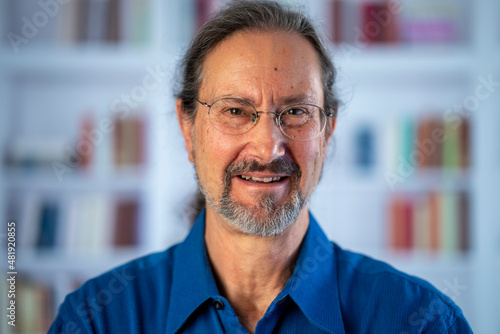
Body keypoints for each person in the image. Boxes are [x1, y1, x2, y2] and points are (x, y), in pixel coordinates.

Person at [49, 1, 472, 333]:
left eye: (296, 112)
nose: (269, 147)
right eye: (235, 110)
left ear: (327, 131)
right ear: (187, 127)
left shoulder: (424, 321)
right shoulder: (96, 320)